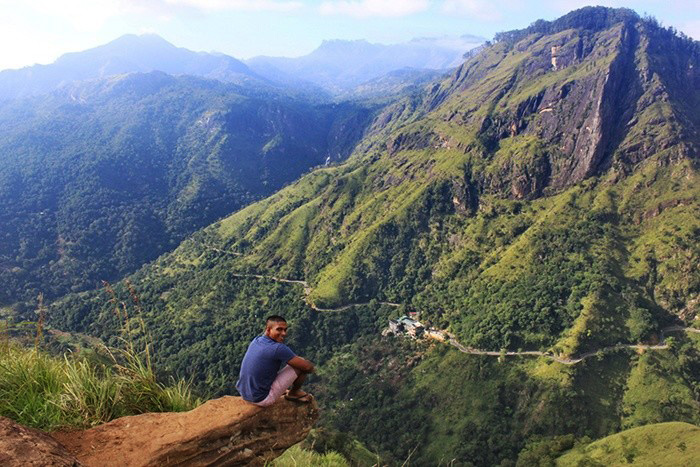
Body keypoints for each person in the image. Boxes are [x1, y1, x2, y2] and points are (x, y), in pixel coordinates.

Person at [236, 315, 314, 406]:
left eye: (285, 330)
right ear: (268, 329)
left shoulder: (256, 340)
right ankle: (294, 392)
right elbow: (307, 367)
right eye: (279, 329)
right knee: (301, 363)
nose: (284, 333)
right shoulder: (278, 348)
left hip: (244, 393)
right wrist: (311, 368)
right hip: (261, 399)